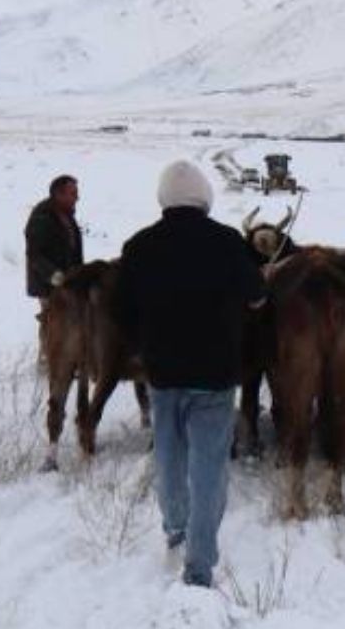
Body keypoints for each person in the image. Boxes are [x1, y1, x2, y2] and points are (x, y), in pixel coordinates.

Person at [114, 160, 265, 588]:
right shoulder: (226, 241)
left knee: (169, 454)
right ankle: (199, 564)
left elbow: (122, 312)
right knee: (209, 465)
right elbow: (256, 296)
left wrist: (146, 340)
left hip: (161, 373)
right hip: (216, 375)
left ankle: (175, 527)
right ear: (204, 197)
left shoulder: (139, 246)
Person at [25, 175, 84, 364]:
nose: (77, 197)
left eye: (77, 193)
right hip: (48, 283)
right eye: (73, 193)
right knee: (51, 320)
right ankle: (47, 361)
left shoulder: (65, 214)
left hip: (67, 281)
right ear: (58, 194)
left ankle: (64, 360)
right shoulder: (42, 217)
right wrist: (54, 276)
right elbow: (34, 254)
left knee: (65, 320)